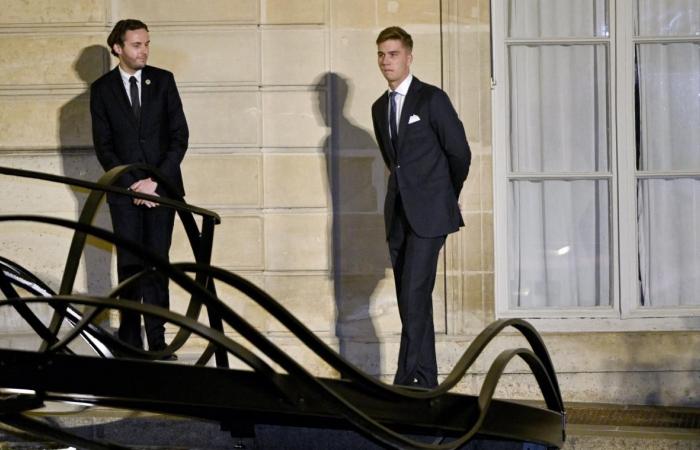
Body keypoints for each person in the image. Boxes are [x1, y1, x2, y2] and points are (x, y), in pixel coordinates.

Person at [371, 26, 471, 388]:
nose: (387, 61)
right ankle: (425, 379)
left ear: (409, 57)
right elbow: (392, 161)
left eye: (393, 53)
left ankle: (405, 382)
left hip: (430, 216)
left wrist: (445, 195)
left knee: (414, 293)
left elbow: (460, 153)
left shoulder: (432, 99)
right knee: (410, 298)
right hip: (398, 216)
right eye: (382, 54)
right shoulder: (379, 107)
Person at [90, 19, 189, 359]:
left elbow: (179, 137)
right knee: (130, 266)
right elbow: (104, 147)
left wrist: (155, 181)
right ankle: (131, 344)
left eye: (146, 43)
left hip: (161, 191)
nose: (143, 50)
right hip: (125, 194)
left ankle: (158, 341)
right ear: (117, 47)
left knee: (158, 263)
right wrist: (131, 185)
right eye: (136, 44)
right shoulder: (102, 90)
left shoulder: (163, 81)